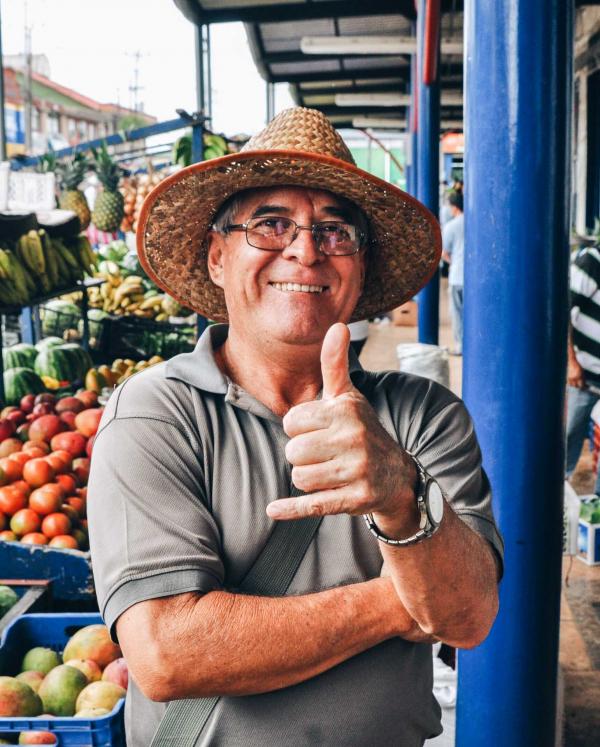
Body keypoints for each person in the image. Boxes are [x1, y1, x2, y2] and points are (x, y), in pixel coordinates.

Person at [88, 107, 503, 747]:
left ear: (359, 269)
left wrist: (400, 493)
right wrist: (398, 601)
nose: (306, 250)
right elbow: (168, 654)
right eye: (271, 224)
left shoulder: (424, 415)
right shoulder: (154, 414)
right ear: (218, 256)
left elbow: (468, 617)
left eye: (335, 230)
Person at [566, 244, 600, 492]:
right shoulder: (593, 260)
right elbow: (561, 310)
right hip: (583, 378)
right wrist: (571, 362)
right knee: (566, 438)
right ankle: (555, 494)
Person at [441, 191, 464, 355]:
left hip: (457, 276)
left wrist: (453, 262)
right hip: (475, 278)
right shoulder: (475, 223)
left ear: (454, 207)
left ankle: (461, 346)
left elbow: (444, 252)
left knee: (457, 313)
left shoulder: (452, 226)